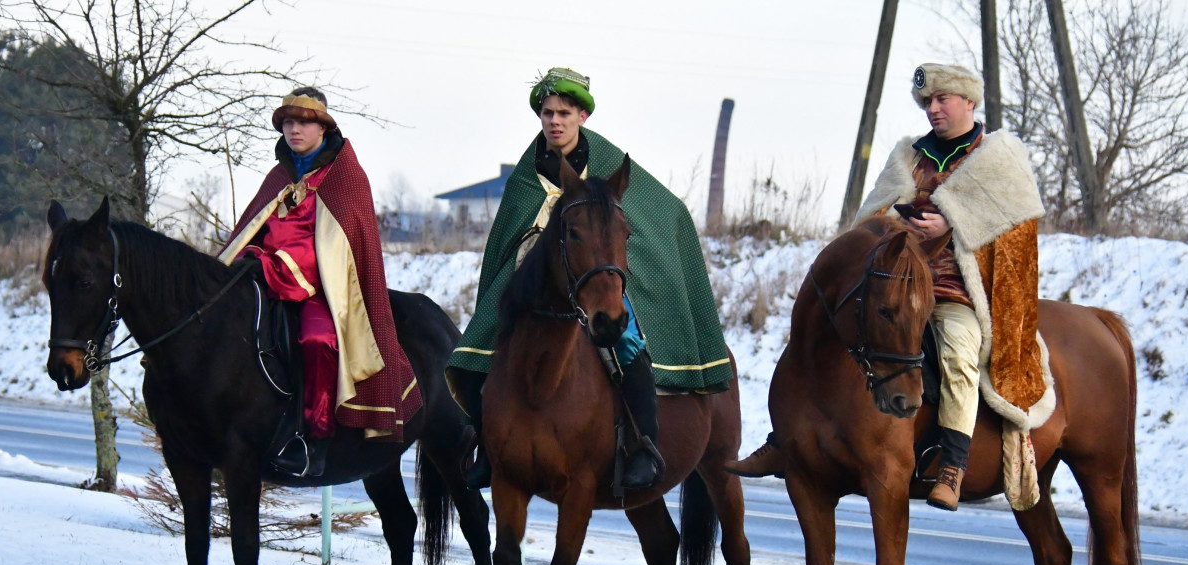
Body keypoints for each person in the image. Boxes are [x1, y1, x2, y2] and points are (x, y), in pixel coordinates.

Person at [728, 64, 1050, 512]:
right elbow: (871, 223)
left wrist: (955, 224)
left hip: (955, 294)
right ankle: (785, 439)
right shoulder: (909, 158)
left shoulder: (997, 162)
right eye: (927, 103)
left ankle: (953, 463)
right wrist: (897, 224)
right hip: (896, 289)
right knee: (831, 333)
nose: (933, 109)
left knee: (958, 353)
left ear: (969, 103)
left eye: (943, 100)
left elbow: (1015, 240)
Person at [446, 67, 732, 490]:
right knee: (471, 354)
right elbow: (512, 229)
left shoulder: (607, 163)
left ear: (582, 116)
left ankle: (644, 448)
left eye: (564, 112)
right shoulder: (527, 174)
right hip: (534, 280)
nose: (555, 121)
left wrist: (611, 257)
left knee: (628, 346)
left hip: (593, 277)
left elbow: (662, 208)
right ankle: (490, 447)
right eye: (547, 113)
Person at [219, 87, 422, 477]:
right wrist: (248, 260)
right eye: (289, 122)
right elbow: (253, 230)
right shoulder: (280, 174)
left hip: (321, 289)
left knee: (317, 340)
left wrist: (277, 266)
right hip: (264, 276)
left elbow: (338, 251)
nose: (295, 130)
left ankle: (314, 442)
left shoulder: (345, 177)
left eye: (304, 122)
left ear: (323, 128)